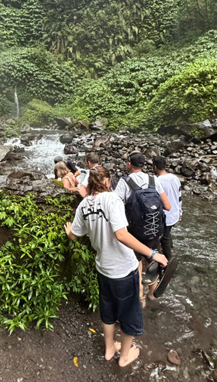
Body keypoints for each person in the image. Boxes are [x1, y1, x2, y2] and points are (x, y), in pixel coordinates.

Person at [65, 166, 168, 368]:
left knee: (109, 309)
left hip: (103, 269)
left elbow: (74, 234)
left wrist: (69, 231)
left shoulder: (84, 205)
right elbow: (121, 234)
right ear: (106, 181)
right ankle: (124, 357)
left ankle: (109, 348)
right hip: (123, 269)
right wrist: (153, 253)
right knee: (130, 312)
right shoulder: (113, 200)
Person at [114, 152, 171, 306]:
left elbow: (115, 207)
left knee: (136, 262)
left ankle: (140, 298)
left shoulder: (124, 182)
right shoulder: (153, 180)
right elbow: (167, 206)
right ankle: (153, 293)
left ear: (129, 164)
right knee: (152, 257)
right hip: (153, 230)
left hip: (134, 231)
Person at [153, 156, 181, 261]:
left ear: (155, 167)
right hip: (175, 213)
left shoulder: (157, 181)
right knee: (168, 233)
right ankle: (172, 249)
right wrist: (180, 211)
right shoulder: (175, 178)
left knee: (164, 238)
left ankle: (168, 260)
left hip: (166, 215)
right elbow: (179, 195)